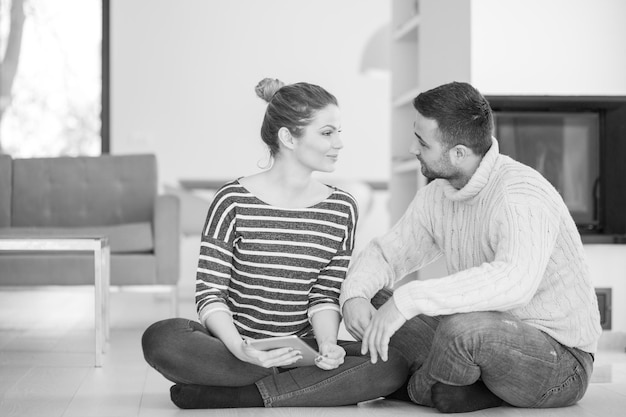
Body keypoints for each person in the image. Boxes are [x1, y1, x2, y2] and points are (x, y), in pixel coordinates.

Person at [142, 78, 408, 409]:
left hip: (301, 351)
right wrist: (240, 348)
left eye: (339, 132)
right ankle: (299, 387)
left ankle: (244, 394)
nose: (339, 143)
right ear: (288, 137)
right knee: (161, 338)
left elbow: (324, 295)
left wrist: (327, 344)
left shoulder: (341, 208)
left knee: (391, 364)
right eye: (327, 133)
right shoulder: (232, 200)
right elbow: (210, 293)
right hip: (233, 348)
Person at [340, 81, 602, 413]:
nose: (411, 148)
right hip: (475, 338)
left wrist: (410, 299)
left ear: (459, 153)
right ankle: (453, 385)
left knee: (462, 328)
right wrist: (355, 296)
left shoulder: (519, 193)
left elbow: (513, 281)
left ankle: (421, 384)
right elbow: (387, 253)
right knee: (376, 295)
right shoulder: (438, 195)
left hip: (560, 360)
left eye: (422, 141)